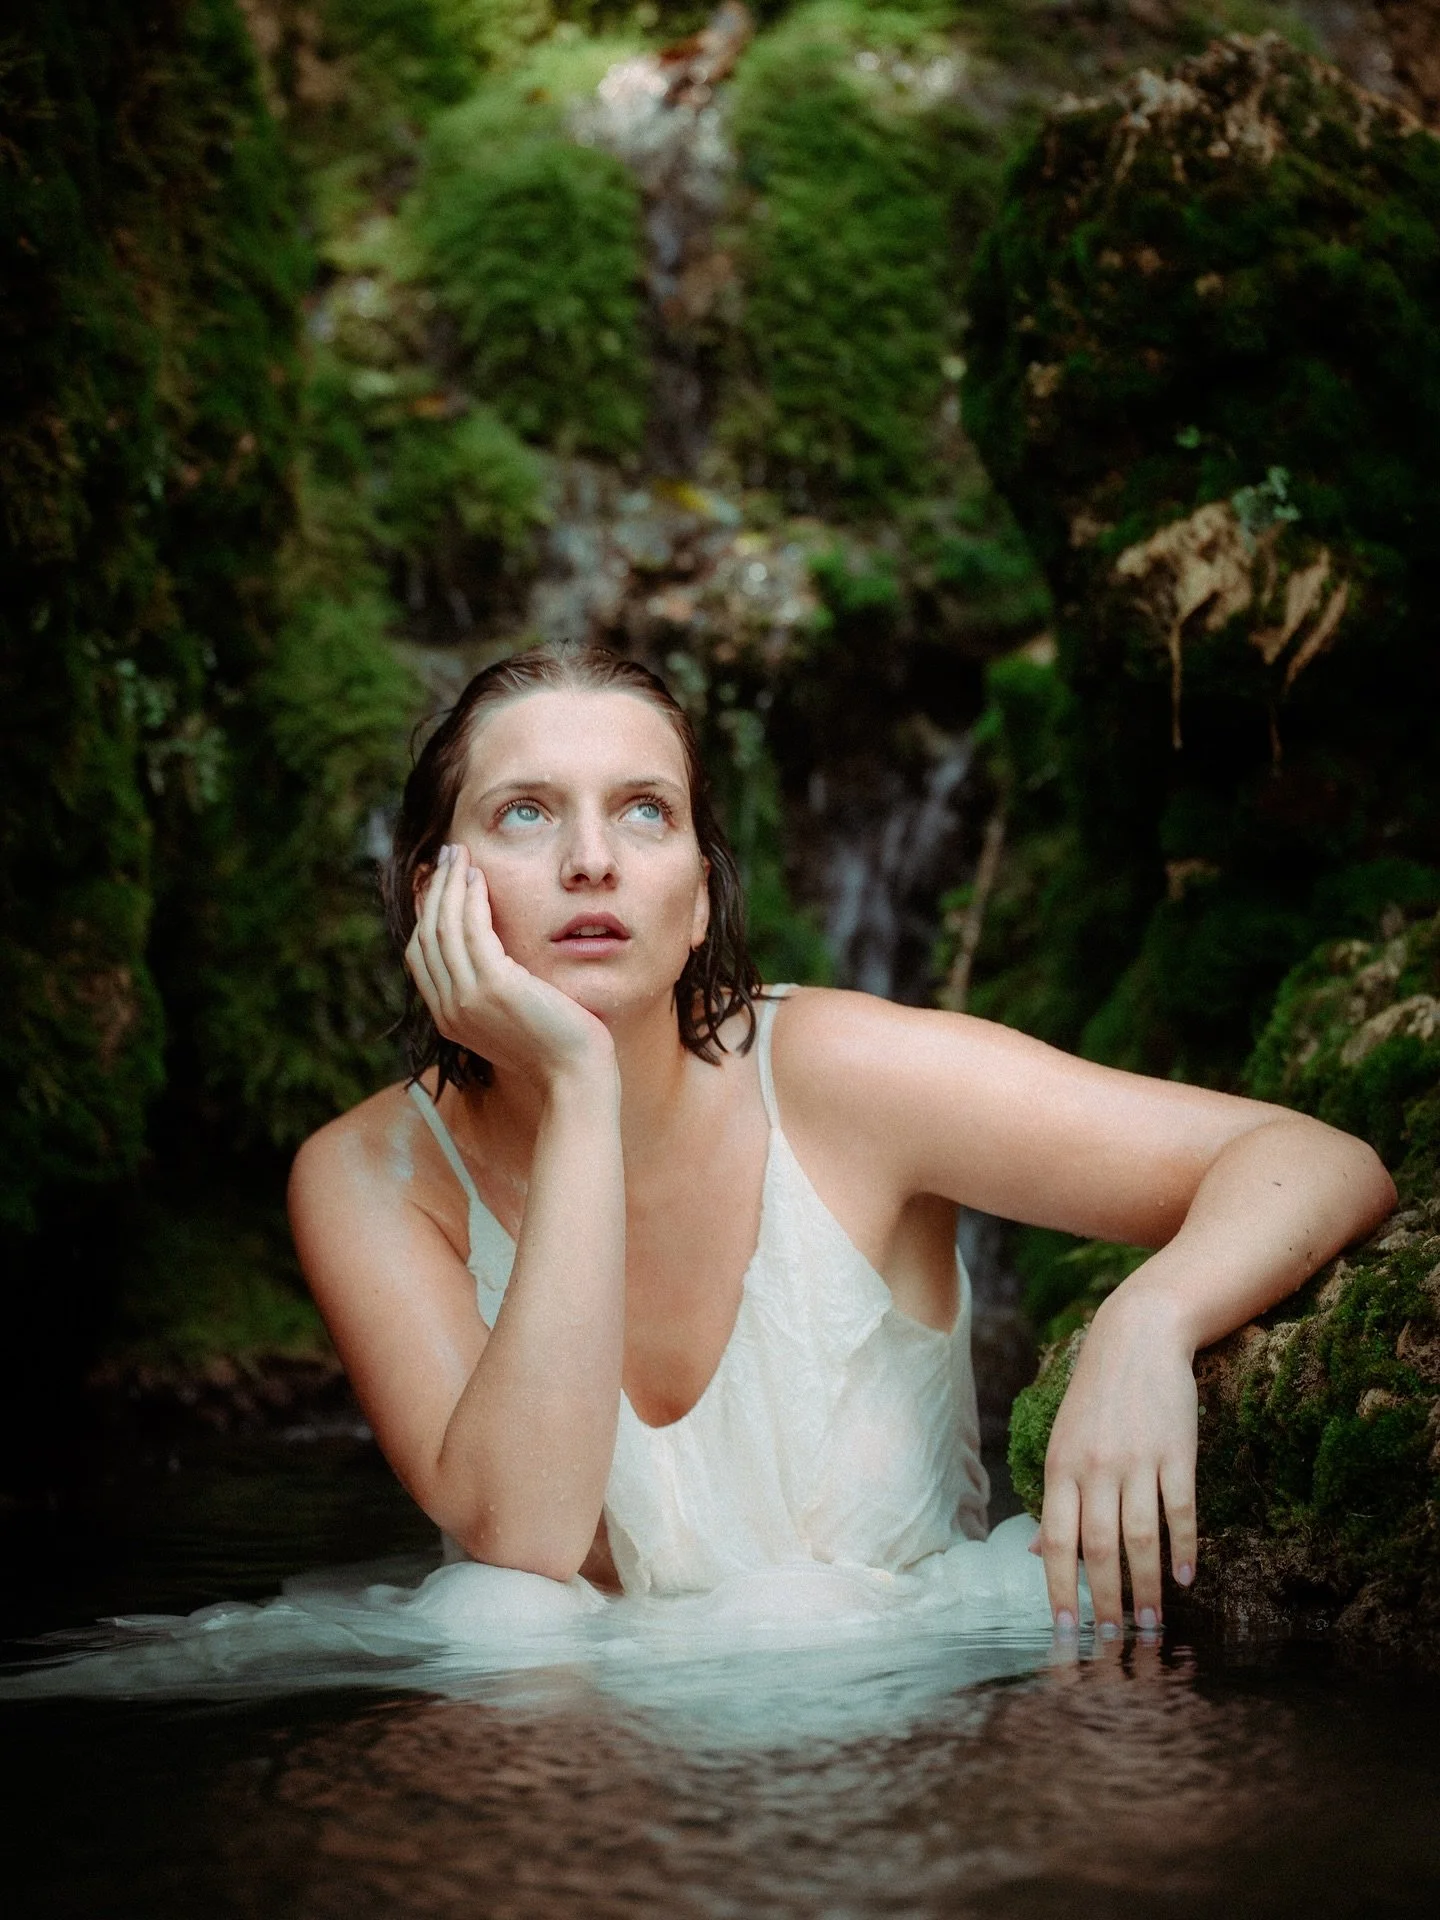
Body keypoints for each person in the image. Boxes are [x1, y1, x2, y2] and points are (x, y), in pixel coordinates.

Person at [287, 643, 1395, 1638]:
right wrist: (579, 1084)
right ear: (437, 889)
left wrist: (1149, 1320)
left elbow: (1316, 1161)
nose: (592, 859)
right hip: (577, 1791)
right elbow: (523, 1534)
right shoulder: (374, 1176)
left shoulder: (841, 1075)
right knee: (498, 1616)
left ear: (703, 902)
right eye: (526, 812)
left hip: (894, 1747)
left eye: (643, 811)